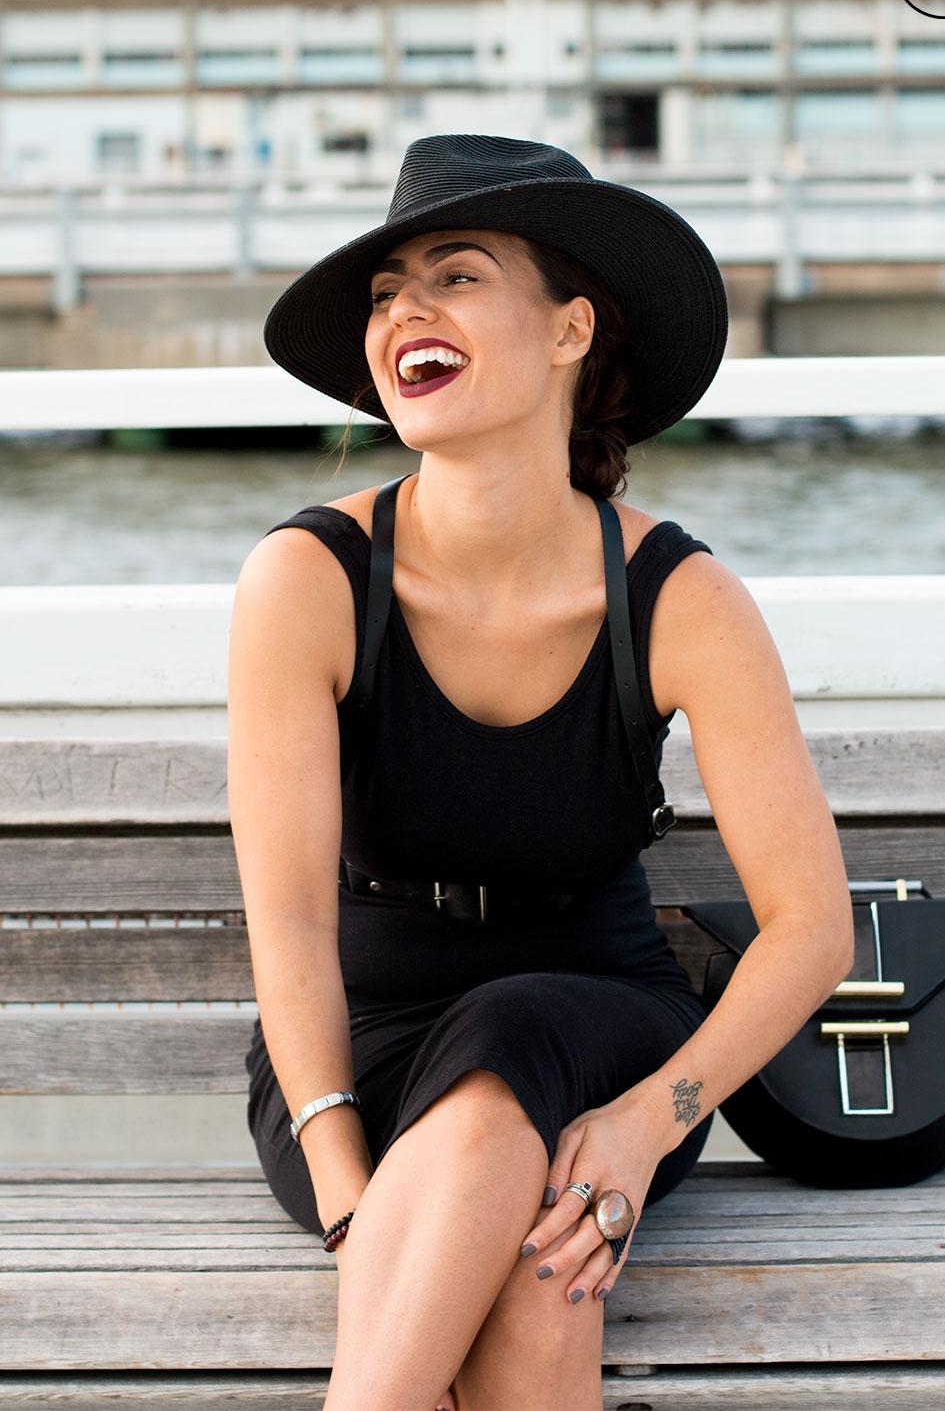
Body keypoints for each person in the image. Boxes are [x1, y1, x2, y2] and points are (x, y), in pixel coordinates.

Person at [227, 134, 854, 1411]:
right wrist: (351, 1199)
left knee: (515, 1043)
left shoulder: (678, 598)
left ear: (570, 332)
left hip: (607, 1048)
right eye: (386, 287)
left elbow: (812, 930)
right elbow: (288, 926)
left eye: (454, 274)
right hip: (359, 1070)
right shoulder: (305, 582)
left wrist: (642, 1127)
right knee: (536, 1269)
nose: (404, 307)